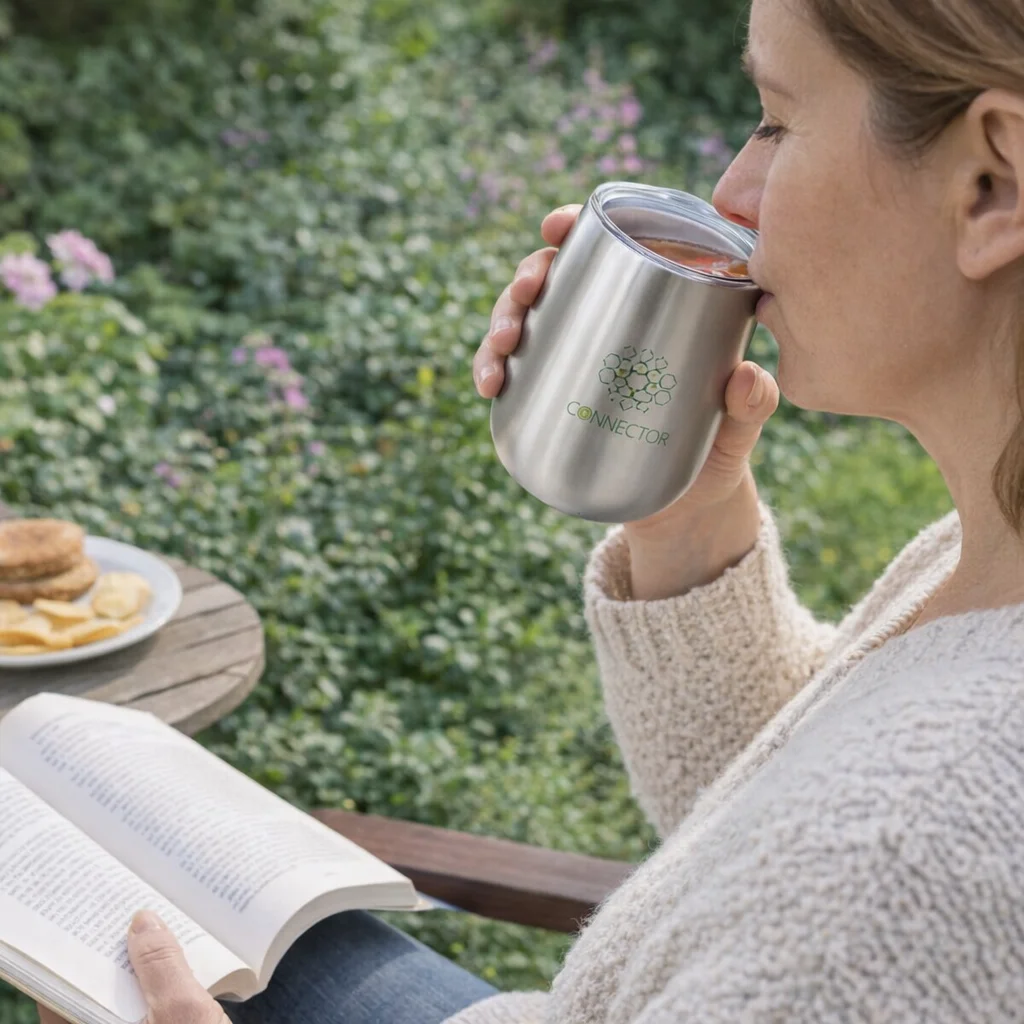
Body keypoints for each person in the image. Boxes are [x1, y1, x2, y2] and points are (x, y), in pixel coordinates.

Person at [40, 0, 1024, 1019]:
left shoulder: (899, 872)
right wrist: (682, 516)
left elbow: (851, 864)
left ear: (991, 182)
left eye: (776, 120)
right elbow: (780, 811)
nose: (733, 192)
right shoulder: (987, 557)